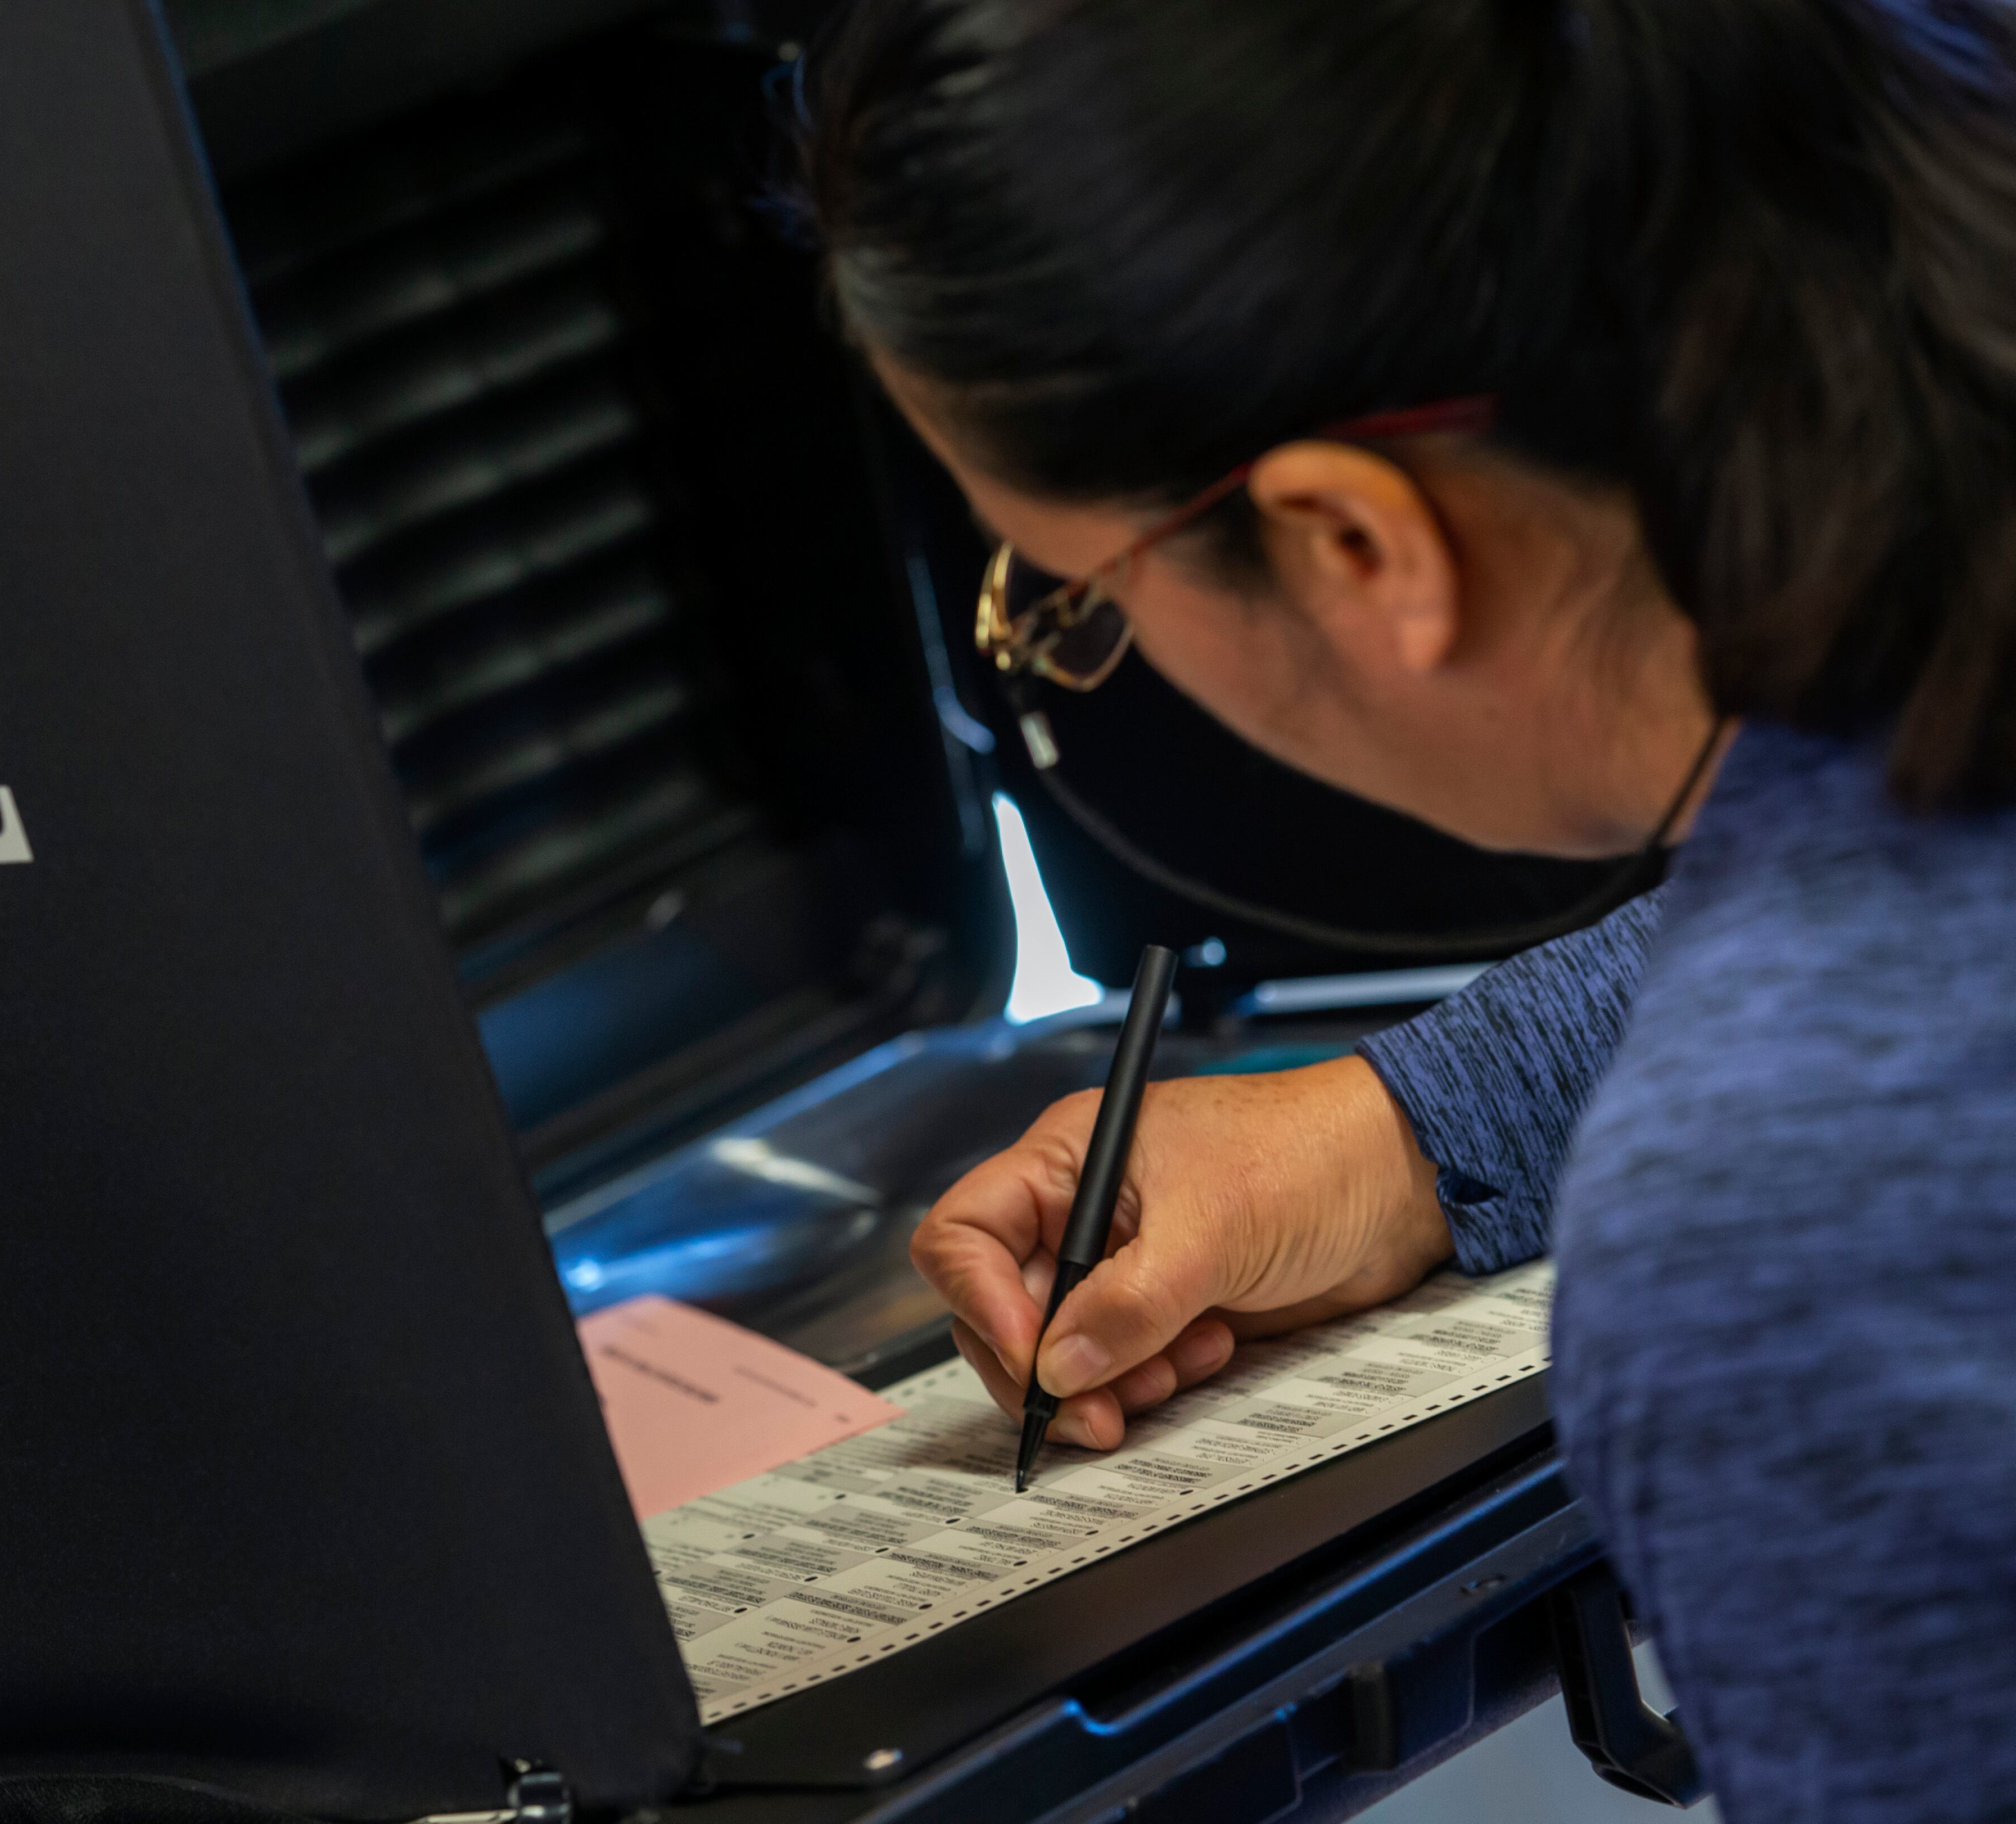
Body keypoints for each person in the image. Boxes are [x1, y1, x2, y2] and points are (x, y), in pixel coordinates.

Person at [798, 1, 2016, 1816]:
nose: (1080, 640)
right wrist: (1415, 1132)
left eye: (1068, 599)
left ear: (1358, 545)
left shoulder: (1791, 1217)